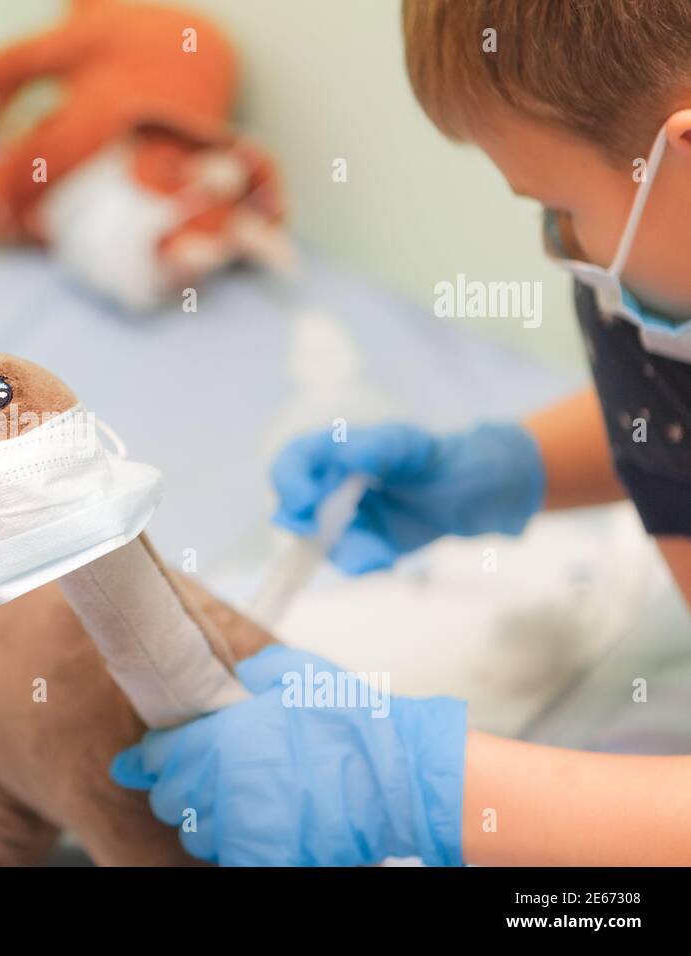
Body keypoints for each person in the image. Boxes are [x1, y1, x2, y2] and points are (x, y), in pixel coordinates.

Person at [110, 0, 691, 866]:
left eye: (558, 208)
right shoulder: (649, 279)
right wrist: (505, 469)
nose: (556, 247)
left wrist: (420, 787)